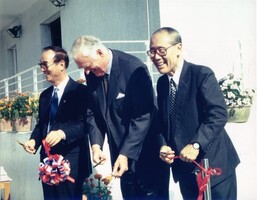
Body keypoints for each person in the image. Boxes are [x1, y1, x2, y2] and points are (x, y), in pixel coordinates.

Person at [148, 27, 240, 200]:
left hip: (214, 168)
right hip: (185, 172)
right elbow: (162, 121)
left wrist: (196, 144)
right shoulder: (162, 83)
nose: (156, 57)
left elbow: (218, 114)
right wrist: (163, 145)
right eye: (152, 52)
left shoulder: (201, 75)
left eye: (161, 50)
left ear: (179, 48)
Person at [70, 36, 157, 199]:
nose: (87, 72)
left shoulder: (133, 68)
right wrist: (96, 145)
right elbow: (93, 110)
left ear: (99, 52)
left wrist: (126, 154)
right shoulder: (92, 73)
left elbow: (143, 117)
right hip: (120, 157)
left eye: (89, 66)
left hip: (145, 153)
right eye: (84, 69)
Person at [23, 46, 91, 200]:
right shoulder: (45, 96)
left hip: (71, 165)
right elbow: (42, 125)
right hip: (47, 165)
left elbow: (86, 125)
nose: (42, 70)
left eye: (45, 65)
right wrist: (33, 140)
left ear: (61, 64)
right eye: (40, 65)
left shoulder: (80, 92)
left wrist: (62, 133)